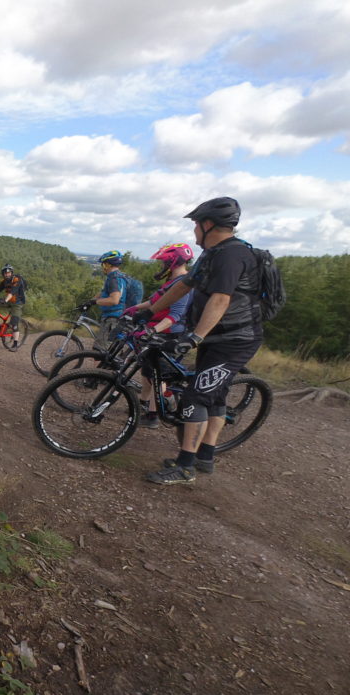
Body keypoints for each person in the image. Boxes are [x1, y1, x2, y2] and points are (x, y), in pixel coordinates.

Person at [137, 197, 264, 485]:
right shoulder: (212, 254)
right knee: (215, 396)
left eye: (196, 224)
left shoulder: (232, 256)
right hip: (218, 337)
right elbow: (184, 285)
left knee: (194, 398)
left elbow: (221, 299)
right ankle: (205, 457)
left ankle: (185, 467)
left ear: (208, 225)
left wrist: (194, 337)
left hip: (234, 340)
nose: (194, 230)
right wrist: (149, 311)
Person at [123, 243, 194, 428]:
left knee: (159, 377)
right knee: (147, 372)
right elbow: (154, 302)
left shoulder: (183, 283)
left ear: (173, 261)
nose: (162, 265)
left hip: (170, 335)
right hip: (158, 331)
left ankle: (153, 416)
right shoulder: (172, 281)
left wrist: (152, 331)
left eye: (164, 261)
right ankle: (143, 404)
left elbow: (174, 316)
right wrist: (135, 308)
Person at [0, 264, 26, 348]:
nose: (7, 274)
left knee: (14, 324)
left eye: (9, 272)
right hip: (9, 300)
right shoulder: (4, 281)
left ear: (11, 272)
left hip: (17, 303)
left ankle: (15, 344)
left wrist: (5, 300)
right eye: (5, 273)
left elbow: (12, 292)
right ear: (3, 274)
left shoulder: (17, 279)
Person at [91, 251, 127, 339]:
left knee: (100, 349)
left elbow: (114, 300)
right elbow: (104, 292)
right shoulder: (117, 276)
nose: (102, 267)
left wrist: (96, 301)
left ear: (108, 264)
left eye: (103, 264)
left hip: (112, 318)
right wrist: (90, 301)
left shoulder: (114, 278)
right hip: (115, 316)